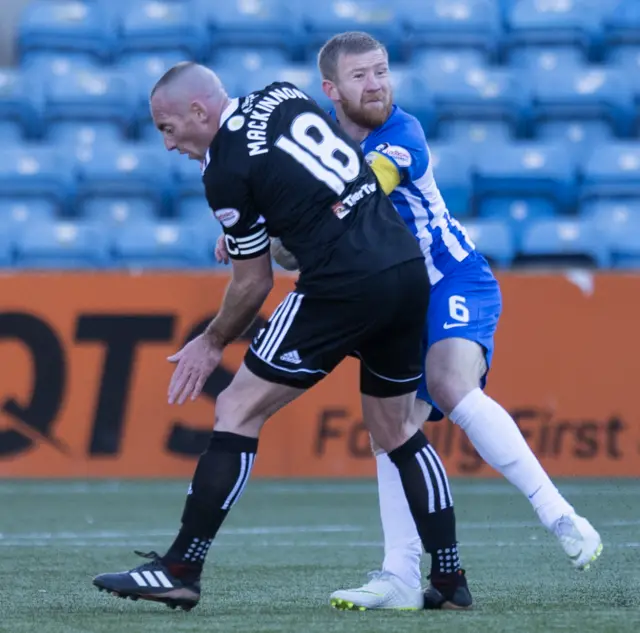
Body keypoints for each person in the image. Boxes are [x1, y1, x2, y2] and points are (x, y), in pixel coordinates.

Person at [219, 32, 603, 611]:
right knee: (389, 431)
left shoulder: (402, 133)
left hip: (451, 279)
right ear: (331, 90)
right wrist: (256, 237)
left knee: (450, 384)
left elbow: (363, 190)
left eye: (381, 72)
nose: (376, 85)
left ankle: (561, 516)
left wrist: (271, 224)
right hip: (392, 297)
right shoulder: (314, 143)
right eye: (360, 77)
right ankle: (400, 575)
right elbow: (298, 244)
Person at [92, 61, 472, 612]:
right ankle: (451, 578)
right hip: (405, 269)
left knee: (236, 408)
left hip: (341, 283)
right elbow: (309, 178)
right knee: (396, 429)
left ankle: (180, 568)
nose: (168, 144)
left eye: (168, 128)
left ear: (199, 111)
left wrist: (212, 340)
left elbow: (253, 283)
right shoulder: (281, 95)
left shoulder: (223, 168)